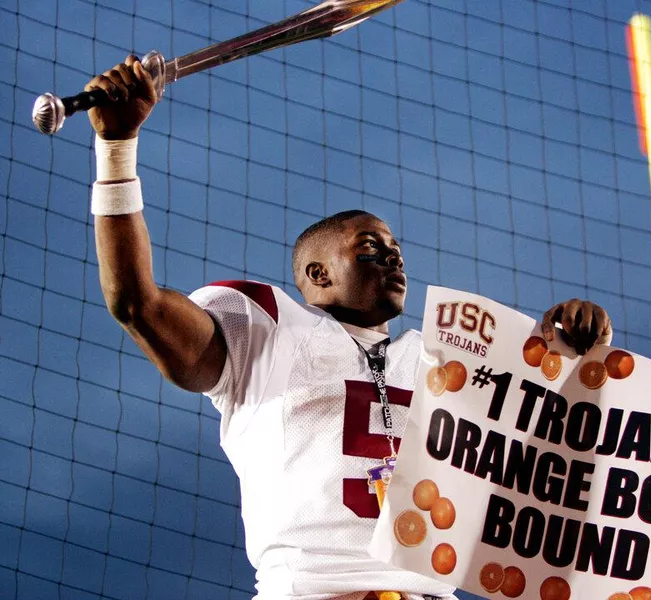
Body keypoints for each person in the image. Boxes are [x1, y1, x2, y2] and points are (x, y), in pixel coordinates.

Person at [84, 56, 614, 600]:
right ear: (318, 274)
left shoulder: (443, 358)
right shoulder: (263, 327)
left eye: (397, 251)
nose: (393, 261)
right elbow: (137, 304)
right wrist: (117, 149)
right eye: (370, 249)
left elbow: (559, 441)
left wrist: (579, 350)